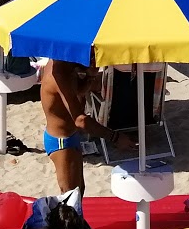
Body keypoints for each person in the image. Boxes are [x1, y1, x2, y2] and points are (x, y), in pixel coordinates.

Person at [39, 59, 128, 194]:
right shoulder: (59, 73)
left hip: (71, 136)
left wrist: (90, 76)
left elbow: (76, 93)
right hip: (61, 142)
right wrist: (115, 137)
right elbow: (80, 120)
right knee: (70, 197)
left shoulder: (68, 66)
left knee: (79, 190)